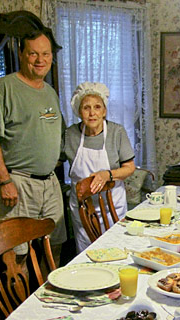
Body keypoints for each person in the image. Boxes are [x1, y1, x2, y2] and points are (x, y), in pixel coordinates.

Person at [0, 28, 66, 269]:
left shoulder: (49, 91)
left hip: (49, 182)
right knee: (17, 254)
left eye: (46, 54)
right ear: (21, 53)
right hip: (16, 183)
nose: (40, 60)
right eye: (33, 54)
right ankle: (19, 305)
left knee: (54, 247)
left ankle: (51, 302)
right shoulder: (3, 88)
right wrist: (4, 181)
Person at [63, 82, 135, 253]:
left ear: (104, 111)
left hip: (112, 207)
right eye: (86, 108)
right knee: (87, 255)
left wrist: (107, 175)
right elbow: (54, 161)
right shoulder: (70, 135)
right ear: (79, 112)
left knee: (116, 252)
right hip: (83, 210)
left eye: (97, 107)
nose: (92, 113)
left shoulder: (116, 132)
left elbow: (129, 167)